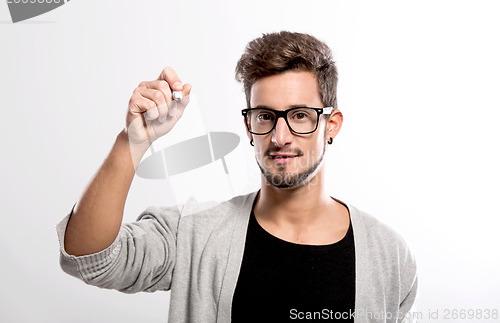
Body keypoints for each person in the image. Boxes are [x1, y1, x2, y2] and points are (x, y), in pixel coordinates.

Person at [56, 31, 418, 322]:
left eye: (300, 115)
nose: (280, 137)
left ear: (331, 125)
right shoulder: (193, 233)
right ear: (248, 125)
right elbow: (91, 258)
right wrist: (132, 143)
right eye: (265, 116)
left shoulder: (389, 256)